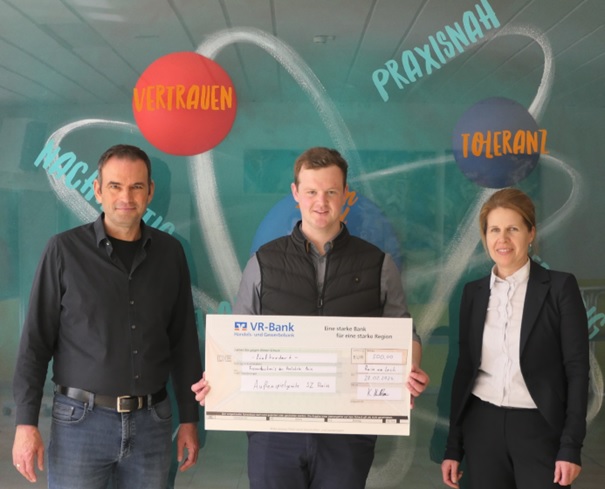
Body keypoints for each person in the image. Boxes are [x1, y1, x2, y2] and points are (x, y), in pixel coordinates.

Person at [193, 146, 429, 489]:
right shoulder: (262, 263)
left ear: (345, 195)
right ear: (295, 193)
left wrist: (411, 367)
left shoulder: (379, 265)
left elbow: (405, 334)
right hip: (274, 432)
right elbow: (237, 343)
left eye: (331, 192)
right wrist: (216, 380)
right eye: (311, 191)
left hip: (347, 434)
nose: (321, 202)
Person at [12, 144, 202, 489]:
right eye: (115, 186)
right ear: (98, 190)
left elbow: (184, 342)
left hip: (152, 425)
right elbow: (35, 344)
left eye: (136, 186)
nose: (126, 197)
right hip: (80, 425)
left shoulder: (170, 253)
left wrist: (190, 419)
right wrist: (26, 424)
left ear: (150, 191)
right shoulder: (63, 251)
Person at [441, 188, 589, 489]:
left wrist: (571, 446)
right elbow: (464, 370)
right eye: (494, 230)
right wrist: (453, 446)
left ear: (530, 233)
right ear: (485, 236)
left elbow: (577, 370)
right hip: (482, 428)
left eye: (513, 229)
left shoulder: (560, 288)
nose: (503, 239)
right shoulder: (472, 293)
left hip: (540, 429)